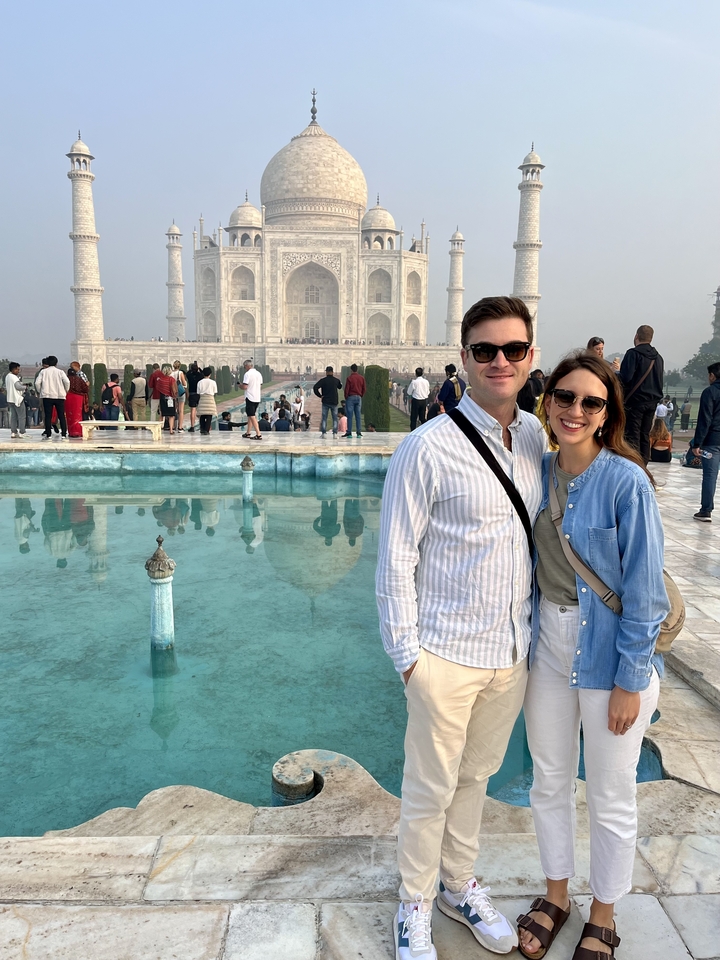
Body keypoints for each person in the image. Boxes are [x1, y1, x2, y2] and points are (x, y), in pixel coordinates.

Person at [377, 296, 545, 960]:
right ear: (464, 358)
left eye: (512, 350)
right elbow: (395, 556)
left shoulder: (537, 436)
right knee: (429, 786)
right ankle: (413, 901)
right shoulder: (427, 447)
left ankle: (457, 884)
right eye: (484, 350)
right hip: (444, 654)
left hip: (511, 651)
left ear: (530, 356)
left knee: (476, 777)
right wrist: (407, 657)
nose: (499, 362)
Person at [517, 351, 668, 960]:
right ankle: (557, 895)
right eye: (565, 398)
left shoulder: (626, 482)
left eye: (591, 402)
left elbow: (646, 594)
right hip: (548, 648)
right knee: (549, 781)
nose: (575, 410)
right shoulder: (534, 470)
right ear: (547, 403)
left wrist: (632, 680)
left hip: (610, 657)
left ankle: (602, 913)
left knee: (609, 792)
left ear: (608, 415)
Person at [618, 325, 664, 463]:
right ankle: (644, 464)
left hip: (635, 401)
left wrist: (616, 373)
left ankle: (634, 463)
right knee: (644, 434)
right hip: (652, 401)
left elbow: (626, 378)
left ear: (636, 336)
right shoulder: (658, 358)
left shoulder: (633, 354)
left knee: (633, 434)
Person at [691, 360, 720, 522]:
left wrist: (697, 444)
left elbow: (705, 419)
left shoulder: (710, 392)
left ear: (712, 376)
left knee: (710, 475)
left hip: (712, 441)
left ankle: (706, 510)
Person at [35, 356, 69, 440]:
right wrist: (65, 390)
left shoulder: (43, 372)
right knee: (61, 415)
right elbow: (67, 381)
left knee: (48, 416)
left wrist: (40, 391)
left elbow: (37, 383)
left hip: (47, 396)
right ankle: (64, 433)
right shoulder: (60, 372)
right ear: (56, 363)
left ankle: (48, 434)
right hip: (59, 396)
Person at [313, 366, 343, 437]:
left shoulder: (323, 380)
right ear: (332, 372)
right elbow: (340, 386)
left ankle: (324, 433)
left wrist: (320, 396)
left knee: (324, 418)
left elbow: (315, 387)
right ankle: (335, 433)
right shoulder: (336, 380)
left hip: (325, 401)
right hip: (334, 402)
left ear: (326, 372)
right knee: (335, 418)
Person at [5, 363, 29, 439]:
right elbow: (18, 387)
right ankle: (22, 432)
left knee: (13, 417)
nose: (18, 371)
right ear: (14, 369)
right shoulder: (14, 377)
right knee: (22, 416)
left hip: (10, 399)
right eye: (17, 369)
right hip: (17, 399)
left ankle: (13, 432)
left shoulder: (7, 376)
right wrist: (25, 387)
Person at [65, 363, 89, 438]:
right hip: (78, 398)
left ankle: (71, 432)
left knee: (69, 415)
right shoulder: (79, 379)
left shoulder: (66, 379)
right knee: (77, 415)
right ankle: (77, 432)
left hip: (68, 397)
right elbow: (86, 389)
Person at [242, 360, 263, 439]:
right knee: (251, 415)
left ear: (247, 366)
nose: (244, 368)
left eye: (244, 366)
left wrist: (240, 385)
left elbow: (245, 386)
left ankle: (258, 434)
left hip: (250, 397)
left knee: (252, 416)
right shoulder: (259, 374)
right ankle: (248, 433)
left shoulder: (247, 374)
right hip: (257, 397)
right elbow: (260, 386)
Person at [343, 363, 366, 437]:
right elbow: (364, 388)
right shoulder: (361, 378)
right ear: (357, 370)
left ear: (351, 370)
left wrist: (346, 397)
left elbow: (347, 389)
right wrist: (360, 395)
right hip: (358, 397)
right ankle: (358, 432)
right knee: (358, 415)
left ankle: (349, 432)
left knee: (350, 416)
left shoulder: (349, 378)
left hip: (351, 397)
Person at [196, 367, 217, 434]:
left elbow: (198, 392)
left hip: (202, 398)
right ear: (210, 374)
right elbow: (215, 391)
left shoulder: (199, 382)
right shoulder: (213, 382)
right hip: (210, 399)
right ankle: (206, 430)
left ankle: (202, 428)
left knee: (202, 414)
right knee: (209, 415)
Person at [186, 362, 202, 432]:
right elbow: (204, 374)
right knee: (200, 411)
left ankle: (192, 426)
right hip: (198, 394)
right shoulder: (200, 375)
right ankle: (202, 425)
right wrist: (199, 369)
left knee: (193, 410)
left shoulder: (189, 375)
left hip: (192, 394)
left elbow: (187, 373)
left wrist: (191, 369)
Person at [171, 361, 188, 430]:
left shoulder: (170, 373)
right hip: (180, 392)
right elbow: (184, 383)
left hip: (173, 392)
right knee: (181, 410)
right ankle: (180, 427)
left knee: (174, 410)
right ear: (179, 366)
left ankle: (173, 426)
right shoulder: (180, 373)